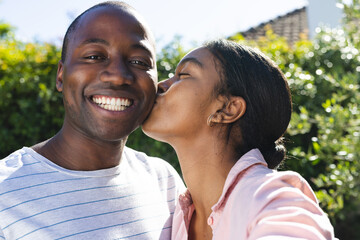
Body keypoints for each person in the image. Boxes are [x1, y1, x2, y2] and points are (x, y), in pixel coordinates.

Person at [0, 1, 185, 239]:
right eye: (95, 56)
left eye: (139, 62)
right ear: (61, 75)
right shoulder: (5, 192)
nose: (118, 76)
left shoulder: (164, 181)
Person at [142, 39, 336, 239]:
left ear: (228, 109)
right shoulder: (174, 219)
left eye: (183, 75)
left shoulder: (271, 197)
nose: (159, 86)